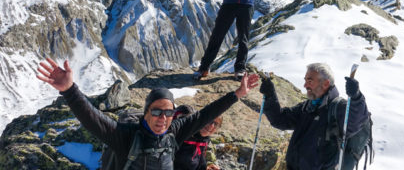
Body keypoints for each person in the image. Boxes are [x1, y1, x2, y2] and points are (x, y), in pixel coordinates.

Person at [36, 57, 259, 170]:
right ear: (146, 113)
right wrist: (69, 90)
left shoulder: (174, 131)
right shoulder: (126, 136)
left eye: (168, 113)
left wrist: (237, 93)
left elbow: (206, 114)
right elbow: (92, 118)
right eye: (157, 111)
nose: (163, 118)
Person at [259, 63, 370, 170]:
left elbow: (357, 120)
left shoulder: (338, 108)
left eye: (310, 81)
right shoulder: (307, 107)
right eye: (305, 80)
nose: (305, 85)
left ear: (325, 83)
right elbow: (280, 119)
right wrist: (270, 95)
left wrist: (356, 97)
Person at [173, 106, 223, 170]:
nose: (211, 126)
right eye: (210, 120)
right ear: (202, 118)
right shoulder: (184, 132)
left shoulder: (204, 139)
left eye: (216, 124)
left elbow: (199, 161)